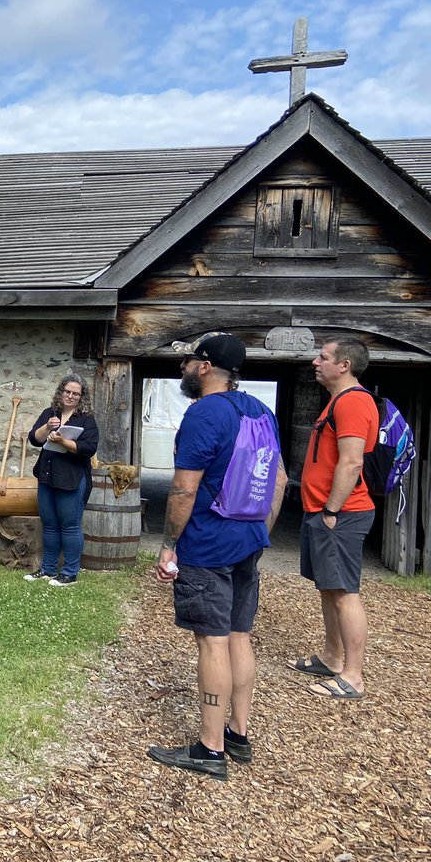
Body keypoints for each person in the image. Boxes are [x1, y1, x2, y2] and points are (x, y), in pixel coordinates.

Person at [146, 332, 286, 781]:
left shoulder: (203, 412)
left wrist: (169, 544)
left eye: (189, 360)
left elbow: (185, 488)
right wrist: (260, 532)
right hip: (247, 541)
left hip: (207, 545)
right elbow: (279, 480)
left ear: (205, 367)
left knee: (213, 641)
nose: (184, 367)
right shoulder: (261, 412)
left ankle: (209, 749)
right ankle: (237, 736)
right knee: (240, 635)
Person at [291, 337, 378, 701]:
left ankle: (353, 676)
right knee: (329, 587)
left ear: (344, 365)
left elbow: (352, 461)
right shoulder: (338, 401)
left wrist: (331, 510)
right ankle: (332, 657)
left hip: (341, 514)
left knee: (344, 592)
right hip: (323, 511)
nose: (315, 361)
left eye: (323, 357)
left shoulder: (355, 401)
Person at [25, 374, 100, 586]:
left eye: (75, 393)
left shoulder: (86, 419)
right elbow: (34, 439)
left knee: (70, 526)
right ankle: (48, 569)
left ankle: (69, 573)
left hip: (72, 478)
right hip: (47, 475)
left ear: (81, 396)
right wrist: (47, 427)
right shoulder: (50, 413)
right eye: (67, 391)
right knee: (49, 525)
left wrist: (64, 441)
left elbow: (89, 448)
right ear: (61, 391)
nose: (70, 396)